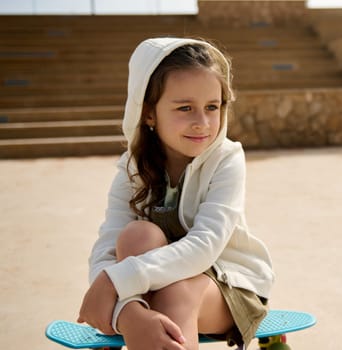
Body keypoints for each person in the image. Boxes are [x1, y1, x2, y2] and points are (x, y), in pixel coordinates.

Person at [77, 37, 275, 350]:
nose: (203, 123)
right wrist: (128, 314)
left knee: (175, 292)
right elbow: (106, 250)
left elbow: (205, 246)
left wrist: (116, 283)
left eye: (213, 107)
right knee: (136, 235)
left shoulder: (226, 159)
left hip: (228, 282)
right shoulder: (132, 168)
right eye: (185, 108)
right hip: (152, 280)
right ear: (149, 113)